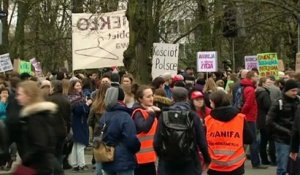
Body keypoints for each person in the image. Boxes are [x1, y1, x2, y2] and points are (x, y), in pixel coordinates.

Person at [154, 87, 211, 175]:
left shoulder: (164, 115)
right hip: (189, 161)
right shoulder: (193, 115)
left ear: (172, 98)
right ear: (187, 99)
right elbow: (202, 142)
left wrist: (162, 156)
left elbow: (156, 142)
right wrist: (207, 159)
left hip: (168, 163)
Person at [15, 80, 61, 174]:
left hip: (39, 167)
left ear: (29, 96)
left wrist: (26, 159)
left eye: (20, 94)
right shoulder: (38, 115)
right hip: (43, 165)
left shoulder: (35, 118)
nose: (17, 97)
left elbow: (40, 144)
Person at [206, 90, 254, 175]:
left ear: (213, 103)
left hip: (215, 165)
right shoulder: (240, 118)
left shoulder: (208, 120)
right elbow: (249, 139)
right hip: (236, 165)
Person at [97, 87, 140, 175]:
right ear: (122, 98)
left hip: (107, 157)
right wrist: (136, 148)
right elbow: (131, 139)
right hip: (124, 159)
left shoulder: (104, 116)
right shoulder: (125, 116)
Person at [267, 79, 300, 175]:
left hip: (296, 139)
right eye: (292, 91)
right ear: (286, 90)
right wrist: (286, 131)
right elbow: (269, 121)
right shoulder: (278, 102)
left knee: (296, 167)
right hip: (282, 139)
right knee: (282, 166)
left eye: (296, 90)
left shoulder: (298, 100)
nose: (295, 92)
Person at [240, 71, 266, 169]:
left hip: (246, 116)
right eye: (256, 76)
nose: (258, 77)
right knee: (253, 140)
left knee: (245, 139)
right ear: (251, 78)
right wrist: (243, 113)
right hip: (249, 117)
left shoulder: (245, 87)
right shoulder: (250, 89)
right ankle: (256, 162)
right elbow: (249, 104)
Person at [132, 85, 160, 175]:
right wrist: (152, 114)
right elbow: (144, 128)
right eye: (148, 97)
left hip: (149, 157)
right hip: (141, 158)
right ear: (140, 99)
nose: (151, 98)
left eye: (152, 95)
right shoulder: (138, 112)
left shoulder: (149, 109)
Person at [68, 80, 92, 172]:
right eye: (77, 85)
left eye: (80, 85)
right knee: (81, 144)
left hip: (76, 122)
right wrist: (87, 104)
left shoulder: (75, 97)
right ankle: (81, 164)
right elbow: (78, 111)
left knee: (76, 144)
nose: (79, 87)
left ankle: (75, 164)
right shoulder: (76, 98)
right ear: (73, 87)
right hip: (79, 122)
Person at [47, 80, 71, 170]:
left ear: (53, 88)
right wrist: (67, 131)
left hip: (51, 131)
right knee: (59, 154)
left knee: (51, 155)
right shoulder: (66, 100)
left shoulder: (49, 99)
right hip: (62, 130)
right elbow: (69, 119)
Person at [88, 83, 110, 175]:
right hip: (110, 134)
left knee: (99, 161)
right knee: (110, 159)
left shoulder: (95, 105)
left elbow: (89, 121)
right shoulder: (111, 106)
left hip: (98, 134)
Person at [255, 77, 272, 165]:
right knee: (265, 139)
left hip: (260, 118)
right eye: (268, 82)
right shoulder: (264, 93)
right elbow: (267, 105)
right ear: (263, 84)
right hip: (264, 118)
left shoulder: (258, 92)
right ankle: (265, 159)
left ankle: (263, 158)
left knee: (263, 139)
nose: (270, 84)